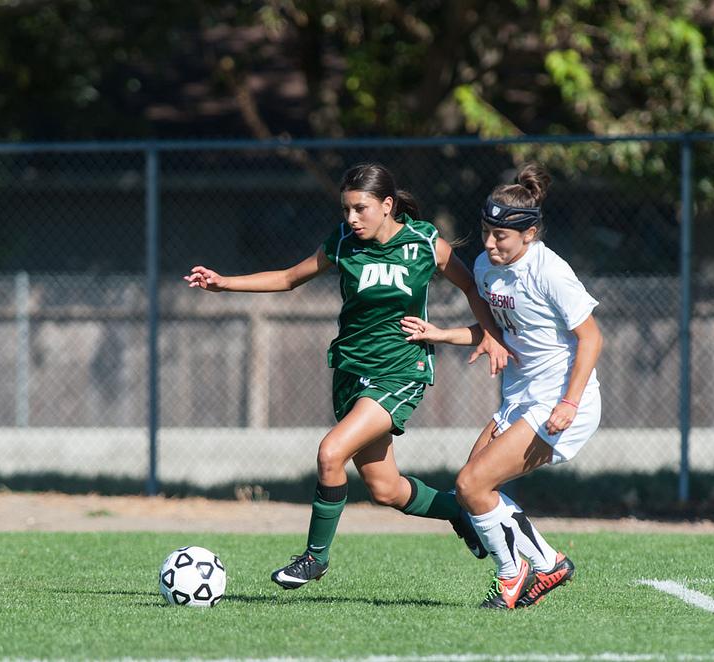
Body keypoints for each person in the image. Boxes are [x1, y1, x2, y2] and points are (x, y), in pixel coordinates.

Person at [184, 162, 509, 590]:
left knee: (330, 452)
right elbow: (286, 278)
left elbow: (470, 287)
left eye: (361, 208)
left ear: (387, 205)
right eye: (346, 210)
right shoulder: (342, 243)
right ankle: (458, 511)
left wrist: (488, 332)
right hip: (350, 370)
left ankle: (315, 559)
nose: (351, 218)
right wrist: (224, 284)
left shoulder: (424, 242)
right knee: (386, 489)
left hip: (400, 370)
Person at [401, 162, 603, 609]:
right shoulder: (485, 266)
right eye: (486, 232)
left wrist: (569, 402)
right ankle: (549, 563)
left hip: (561, 400)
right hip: (522, 397)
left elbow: (591, 337)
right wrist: (442, 334)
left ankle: (513, 576)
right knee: (469, 491)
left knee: (473, 485)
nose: (489, 243)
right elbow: (494, 331)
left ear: (529, 234)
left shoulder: (550, 271)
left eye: (501, 237)